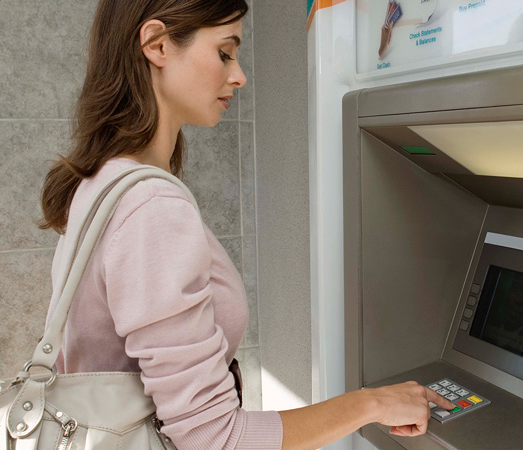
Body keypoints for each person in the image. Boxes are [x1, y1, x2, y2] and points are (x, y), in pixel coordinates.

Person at [37, 1, 455, 449]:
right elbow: (214, 439)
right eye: (224, 52)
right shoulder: (150, 205)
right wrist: (370, 405)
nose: (239, 75)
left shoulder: (102, 180)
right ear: (156, 44)